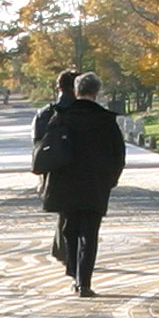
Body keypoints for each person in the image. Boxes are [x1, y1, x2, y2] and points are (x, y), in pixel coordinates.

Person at [41, 71, 128, 294]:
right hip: (96, 183)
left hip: (66, 181)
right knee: (90, 232)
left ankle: (73, 272)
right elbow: (118, 154)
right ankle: (84, 282)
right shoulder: (106, 120)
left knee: (70, 229)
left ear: (76, 91)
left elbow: (50, 148)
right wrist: (111, 179)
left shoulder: (61, 116)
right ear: (96, 92)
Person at [30, 69, 79, 269]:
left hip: (54, 169)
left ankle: (63, 251)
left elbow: (37, 142)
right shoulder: (84, 112)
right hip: (80, 168)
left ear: (58, 87)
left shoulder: (45, 113)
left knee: (65, 212)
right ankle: (69, 254)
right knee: (74, 213)